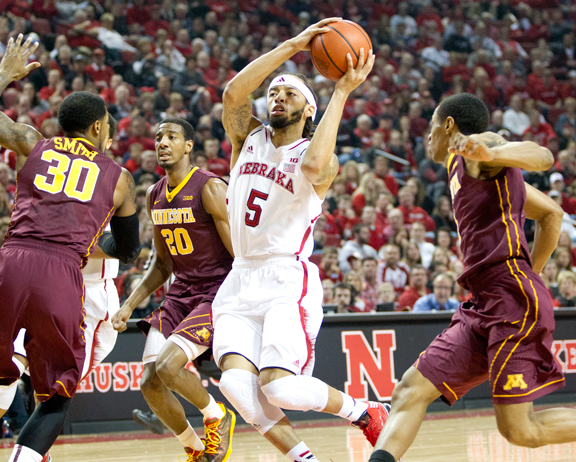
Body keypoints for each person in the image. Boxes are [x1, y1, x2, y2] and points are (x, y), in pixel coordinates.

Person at [0, 35, 141, 462]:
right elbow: (130, 251)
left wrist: (5, 74)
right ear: (100, 127)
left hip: (11, 263)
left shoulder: (34, 141)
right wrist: (86, 241)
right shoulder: (119, 178)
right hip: (63, 274)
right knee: (58, 390)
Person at [213, 17, 387, 462]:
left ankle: (363, 410)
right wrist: (292, 45)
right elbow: (234, 94)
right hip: (239, 279)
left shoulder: (315, 159)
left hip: (286, 280)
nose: (278, 98)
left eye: (290, 94)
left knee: (281, 388)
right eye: (273, 92)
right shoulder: (246, 140)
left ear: (309, 110)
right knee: (234, 384)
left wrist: (342, 92)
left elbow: (313, 169)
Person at [369, 93, 576, 462]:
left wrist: (490, 153)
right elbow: (552, 215)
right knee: (408, 391)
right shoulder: (459, 169)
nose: (427, 138)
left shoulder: (478, 155)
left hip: (511, 299)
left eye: (431, 128)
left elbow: (541, 157)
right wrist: (534, 272)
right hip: (482, 303)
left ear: (448, 125)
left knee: (521, 431)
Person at [112, 118, 236, 462]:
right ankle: (195, 449)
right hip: (179, 294)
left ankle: (217, 416)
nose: (162, 143)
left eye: (171, 136)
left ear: (189, 146)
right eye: (158, 137)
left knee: (168, 367)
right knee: (150, 382)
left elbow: (239, 254)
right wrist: (129, 304)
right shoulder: (154, 195)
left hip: (216, 292)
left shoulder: (210, 188)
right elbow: (162, 265)